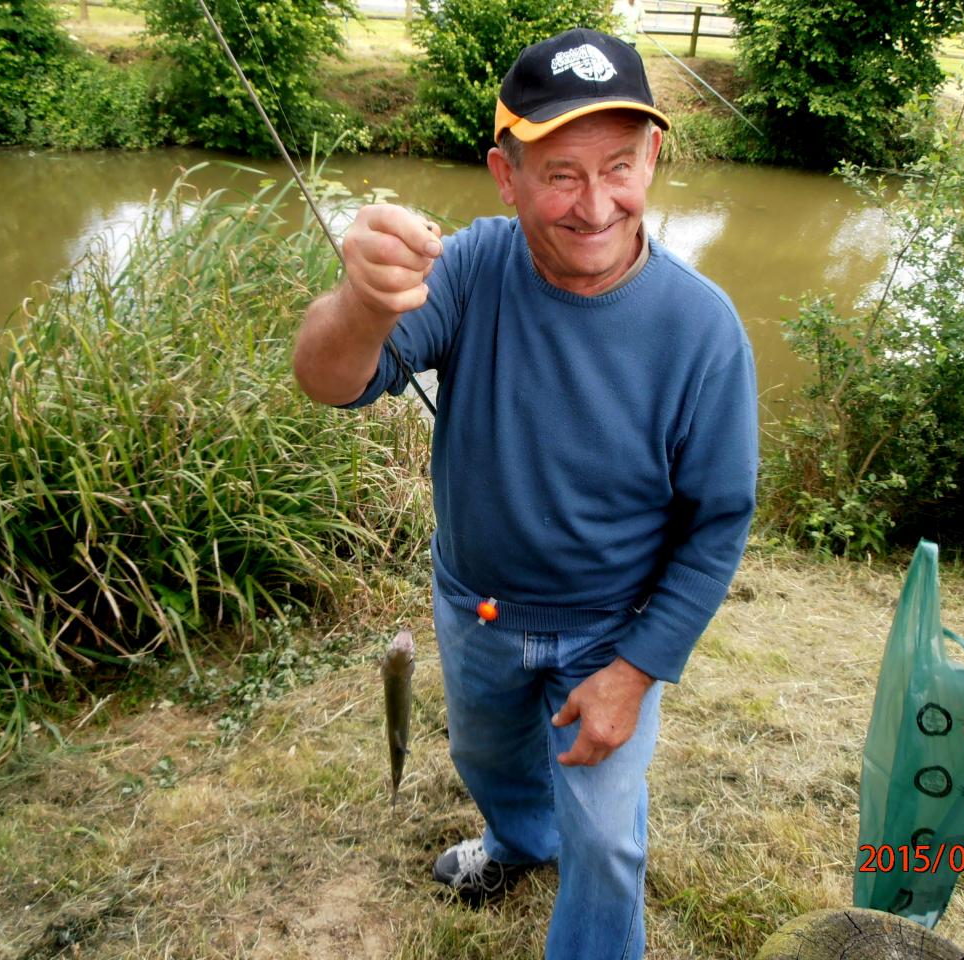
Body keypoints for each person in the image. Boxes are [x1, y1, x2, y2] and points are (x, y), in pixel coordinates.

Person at [293, 28, 757, 960]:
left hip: (613, 629)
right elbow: (330, 379)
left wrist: (634, 672)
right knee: (490, 762)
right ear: (505, 176)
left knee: (610, 839)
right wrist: (364, 303)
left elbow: (717, 526)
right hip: (477, 607)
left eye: (620, 167)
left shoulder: (703, 329)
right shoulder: (468, 267)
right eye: (560, 175)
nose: (596, 206)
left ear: (654, 157)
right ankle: (515, 838)